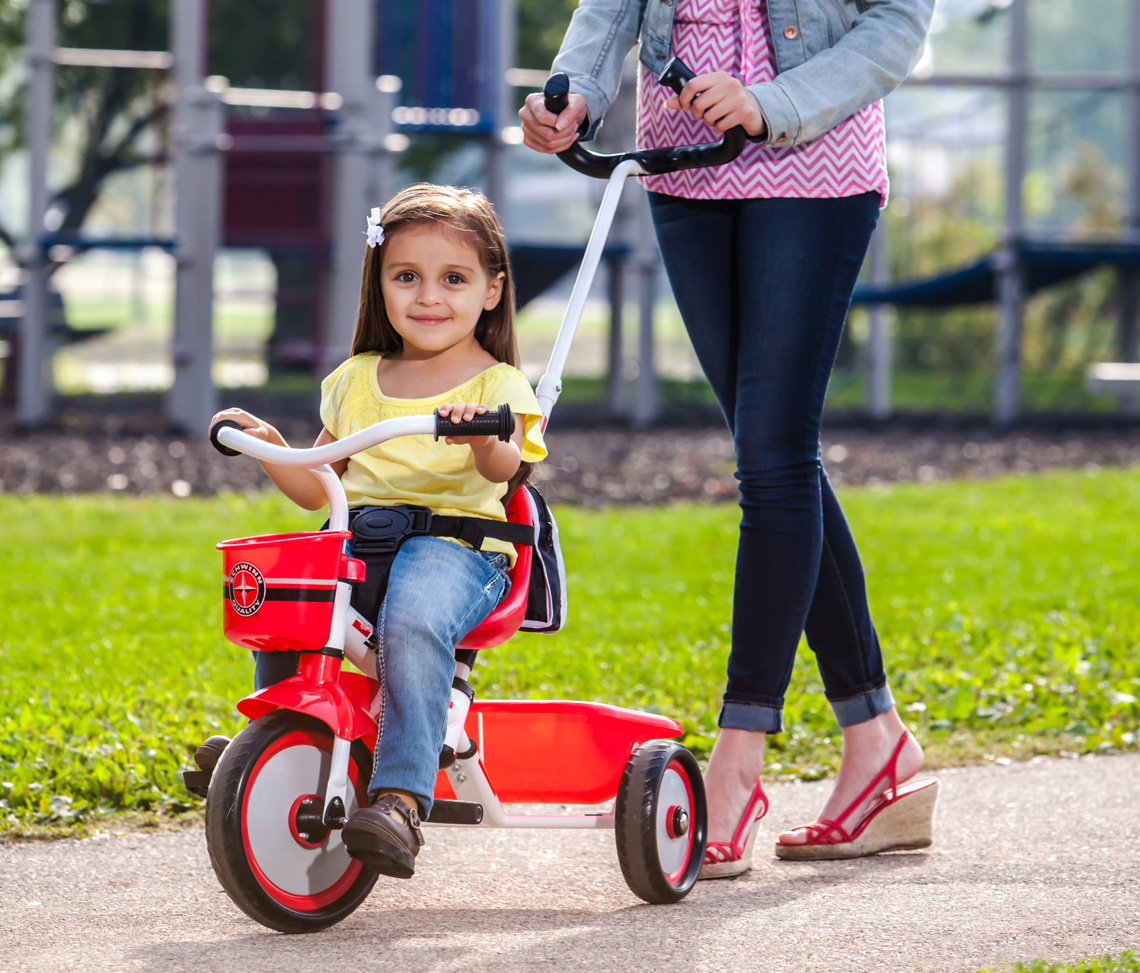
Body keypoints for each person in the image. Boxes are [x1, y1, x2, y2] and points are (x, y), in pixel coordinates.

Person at [520, 0, 938, 877]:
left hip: (813, 163)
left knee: (775, 457)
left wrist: (770, 103)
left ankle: (740, 759)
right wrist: (575, 96)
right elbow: (612, 10)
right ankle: (878, 744)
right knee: (773, 454)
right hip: (687, 164)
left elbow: (897, 24)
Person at [206, 183, 547, 879]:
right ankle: (284, 735)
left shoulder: (498, 385)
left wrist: (482, 441)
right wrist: (273, 445)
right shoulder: (359, 379)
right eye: (407, 277)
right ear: (381, 284)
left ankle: (399, 795)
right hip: (361, 541)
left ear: (491, 290)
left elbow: (512, 471)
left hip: (461, 550)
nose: (429, 296)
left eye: (453, 278)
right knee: (286, 588)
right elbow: (317, 483)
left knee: (415, 609)